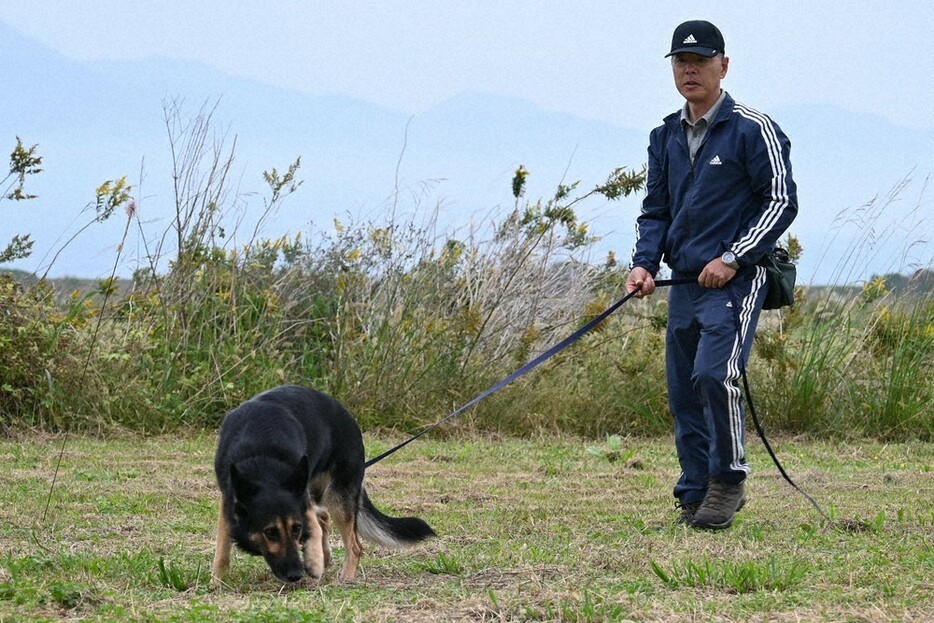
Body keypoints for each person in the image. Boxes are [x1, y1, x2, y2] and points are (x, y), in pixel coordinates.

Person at [626, 20, 797, 530]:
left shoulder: (752, 128)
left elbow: (781, 202)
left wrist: (735, 257)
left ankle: (727, 482)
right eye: (681, 61)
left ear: (724, 66)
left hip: (738, 280)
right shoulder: (664, 135)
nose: (690, 70)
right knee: (682, 388)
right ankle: (694, 490)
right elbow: (654, 208)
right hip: (682, 281)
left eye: (701, 61)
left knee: (714, 376)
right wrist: (643, 264)